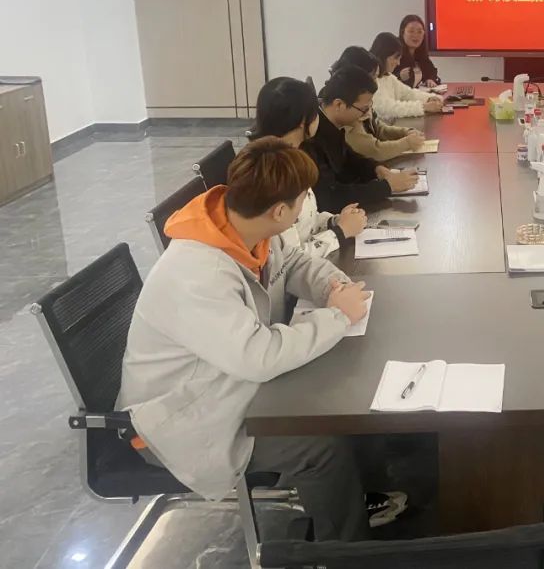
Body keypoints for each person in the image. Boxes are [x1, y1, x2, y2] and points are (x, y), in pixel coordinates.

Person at [116, 138, 376, 541]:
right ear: (280, 211)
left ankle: (348, 504)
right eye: (302, 200)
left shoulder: (246, 225)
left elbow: (293, 263)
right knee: (319, 446)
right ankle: (344, 553)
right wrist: (339, 316)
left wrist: (333, 287)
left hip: (224, 384)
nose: (305, 207)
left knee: (333, 394)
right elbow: (259, 357)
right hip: (179, 422)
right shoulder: (196, 272)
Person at [251, 76, 368, 257]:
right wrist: (340, 232)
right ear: (302, 121)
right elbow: (291, 259)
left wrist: (335, 221)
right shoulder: (274, 173)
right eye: (315, 113)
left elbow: (305, 221)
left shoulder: (294, 155)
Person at [303, 64, 420, 212]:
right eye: (363, 109)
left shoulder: (332, 124)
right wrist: (387, 187)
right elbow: (329, 197)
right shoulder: (313, 137)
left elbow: (350, 158)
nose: (367, 114)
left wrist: (376, 169)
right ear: (339, 104)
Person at [332, 47, 426, 162]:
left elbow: (377, 127)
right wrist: (406, 143)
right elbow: (374, 150)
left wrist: (405, 132)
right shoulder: (348, 105)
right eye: (373, 77)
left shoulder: (361, 98)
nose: (376, 83)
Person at [371, 32, 444, 121]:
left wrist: (429, 98)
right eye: (396, 58)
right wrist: (423, 107)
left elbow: (408, 93)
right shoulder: (371, 79)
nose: (398, 63)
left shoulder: (388, 77)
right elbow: (387, 109)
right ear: (384, 55)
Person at [394, 13, 440, 88]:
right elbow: (385, 77)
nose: (416, 35)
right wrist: (399, 76)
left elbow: (432, 71)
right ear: (402, 33)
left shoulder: (421, 53)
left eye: (419, 32)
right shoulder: (394, 51)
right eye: (411, 31)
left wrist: (430, 79)